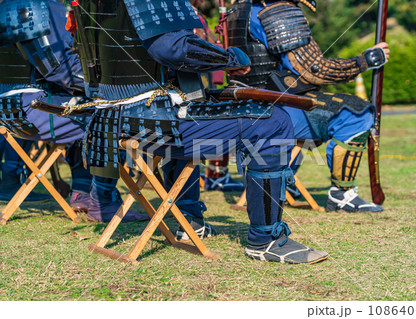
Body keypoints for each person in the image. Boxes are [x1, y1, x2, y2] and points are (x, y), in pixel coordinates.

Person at [62, 0, 329, 264]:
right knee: (273, 121)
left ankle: (188, 221)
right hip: (149, 119)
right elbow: (171, 48)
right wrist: (229, 58)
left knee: (190, 116)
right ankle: (266, 240)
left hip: (114, 117)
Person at [227, 0, 390, 213]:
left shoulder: (239, 8)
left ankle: (286, 181)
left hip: (250, 105)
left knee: (323, 106)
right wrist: (364, 61)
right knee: (357, 113)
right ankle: (342, 195)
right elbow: (314, 69)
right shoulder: (276, 10)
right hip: (273, 110)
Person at [0, 0, 150, 222]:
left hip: (14, 108)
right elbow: (57, 67)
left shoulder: (10, 3)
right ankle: (104, 202)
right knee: (111, 117)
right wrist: (109, 79)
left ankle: (82, 190)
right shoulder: (37, 5)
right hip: (34, 106)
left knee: (87, 109)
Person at [189, 0, 245, 192]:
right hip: (196, 81)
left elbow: (210, 41)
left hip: (204, 77)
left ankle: (215, 173)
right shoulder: (189, 14)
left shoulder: (197, 15)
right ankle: (216, 174)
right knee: (220, 119)